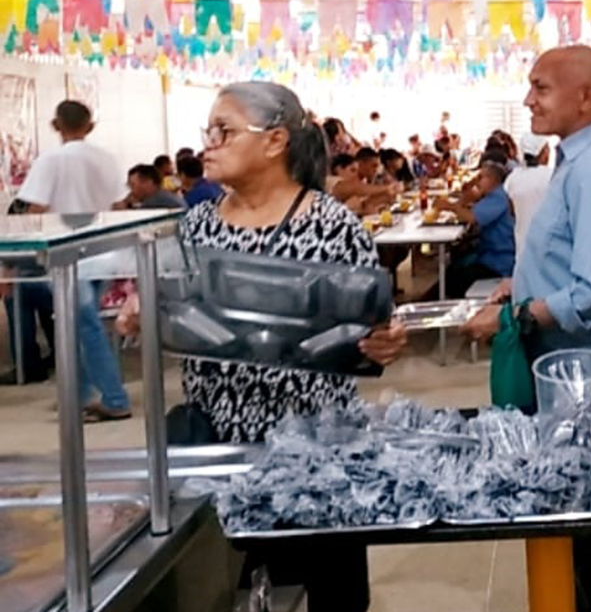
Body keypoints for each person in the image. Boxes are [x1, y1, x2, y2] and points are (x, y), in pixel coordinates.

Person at [118, 82, 406, 612]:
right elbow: (168, 309)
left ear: (275, 142)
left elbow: (368, 337)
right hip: (218, 445)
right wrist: (141, 315)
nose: (208, 144)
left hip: (315, 450)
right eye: (208, 132)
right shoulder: (197, 224)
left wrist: (382, 344)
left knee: (325, 590)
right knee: (230, 589)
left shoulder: (333, 227)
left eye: (223, 131)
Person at [461, 45, 591, 612]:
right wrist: (520, 287)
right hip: (567, 371)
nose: (528, 100)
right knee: (576, 523)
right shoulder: (577, 160)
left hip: (585, 375)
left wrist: (521, 315)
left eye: (541, 88)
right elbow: (572, 259)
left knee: (589, 516)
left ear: (585, 97)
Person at [4, 101, 132, 417]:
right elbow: (120, 208)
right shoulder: (107, 159)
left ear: (55, 125)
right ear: (90, 127)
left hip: (70, 256)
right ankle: (78, 395)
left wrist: (11, 262)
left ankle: (115, 399)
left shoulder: (50, 160)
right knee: (75, 326)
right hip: (104, 252)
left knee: (85, 327)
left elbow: (33, 212)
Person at [431, 162, 516, 299]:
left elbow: (472, 217)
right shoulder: (492, 196)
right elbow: (470, 206)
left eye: (481, 177)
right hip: (489, 254)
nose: (478, 181)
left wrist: (449, 206)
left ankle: (448, 303)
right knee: (453, 267)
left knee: (453, 277)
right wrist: (467, 194)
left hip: (499, 261)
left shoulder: (498, 198)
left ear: (492, 179)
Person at [504, 133, 553, 262]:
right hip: (549, 247)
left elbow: (511, 211)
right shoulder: (553, 176)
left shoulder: (513, 178)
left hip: (523, 248)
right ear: (543, 153)